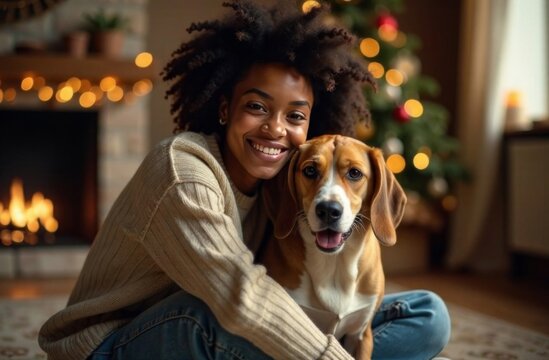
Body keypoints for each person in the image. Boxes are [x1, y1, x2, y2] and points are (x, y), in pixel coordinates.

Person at [39, 1, 450, 359]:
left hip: (215, 324)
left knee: (427, 315)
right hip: (107, 345)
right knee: (216, 314)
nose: (274, 129)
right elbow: (241, 299)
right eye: (257, 106)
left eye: (295, 116)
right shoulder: (184, 174)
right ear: (224, 108)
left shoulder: (286, 180)